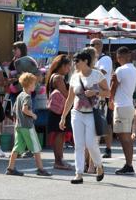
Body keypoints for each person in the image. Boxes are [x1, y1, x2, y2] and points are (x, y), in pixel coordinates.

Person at [60, 48, 109, 184]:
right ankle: (78, 173)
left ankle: (99, 165)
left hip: (91, 114)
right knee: (79, 145)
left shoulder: (97, 75)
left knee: (91, 144)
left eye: (77, 61)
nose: (75, 64)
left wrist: (95, 93)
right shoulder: (74, 77)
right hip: (77, 113)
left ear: (85, 61)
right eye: (74, 61)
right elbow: (70, 99)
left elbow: (108, 93)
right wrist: (63, 116)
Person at [5, 72, 52, 177]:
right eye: (34, 84)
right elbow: (25, 109)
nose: (35, 86)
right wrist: (33, 115)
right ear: (30, 84)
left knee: (17, 147)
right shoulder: (27, 97)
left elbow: (14, 111)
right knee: (36, 148)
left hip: (18, 125)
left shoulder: (19, 96)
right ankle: (40, 169)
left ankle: (10, 168)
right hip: (27, 125)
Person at [110, 46, 136, 175]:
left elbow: (113, 86)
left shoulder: (120, 70)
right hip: (128, 105)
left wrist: (110, 100)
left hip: (121, 105)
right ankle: (129, 164)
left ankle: (128, 164)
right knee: (126, 136)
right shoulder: (133, 69)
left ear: (119, 57)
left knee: (123, 137)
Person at [45, 54, 73, 170]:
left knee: (60, 135)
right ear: (62, 66)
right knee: (59, 135)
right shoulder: (58, 78)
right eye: (68, 66)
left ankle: (60, 160)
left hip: (57, 110)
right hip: (59, 111)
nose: (69, 69)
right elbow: (66, 94)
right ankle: (58, 161)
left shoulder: (54, 76)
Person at [91, 38, 113, 159]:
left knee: (106, 123)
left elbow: (102, 72)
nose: (91, 46)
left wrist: (88, 67)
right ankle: (94, 150)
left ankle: (108, 148)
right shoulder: (92, 60)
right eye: (90, 45)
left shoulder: (105, 59)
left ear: (99, 46)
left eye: (93, 44)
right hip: (93, 95)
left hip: (103, 95)